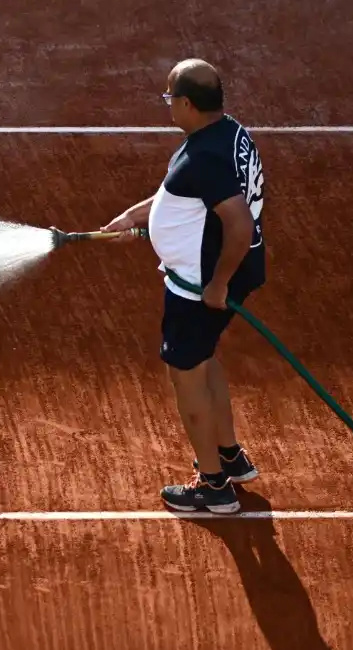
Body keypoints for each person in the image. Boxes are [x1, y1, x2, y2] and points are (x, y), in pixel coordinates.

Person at [101, 58, 266, 514]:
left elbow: (236, 224)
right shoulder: (226, 132)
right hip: (215, 278)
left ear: (188, 104)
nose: (168, 105)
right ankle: (230, 457)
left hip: (198, 288)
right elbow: (183, 194)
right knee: (205, 357)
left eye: (170, 97)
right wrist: (135, 217)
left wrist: (216, 284)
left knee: (185, 374)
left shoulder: (204, 156)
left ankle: (213, 488)